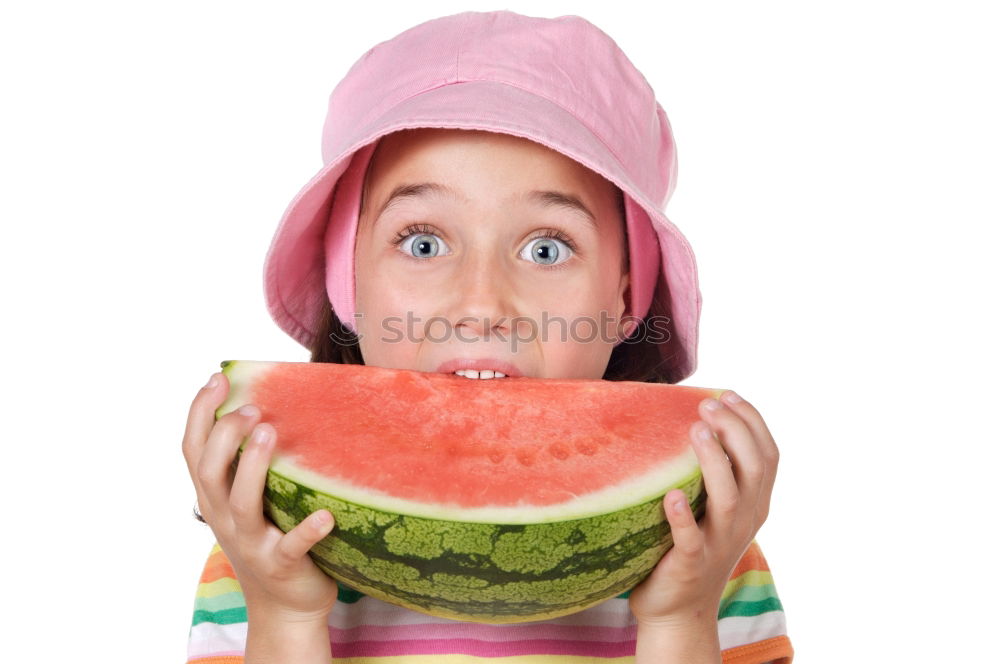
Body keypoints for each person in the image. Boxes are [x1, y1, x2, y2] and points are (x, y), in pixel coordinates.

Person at [182, 10, 793, 664]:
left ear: (623, 297)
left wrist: (680, 618)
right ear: (347, 284)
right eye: (423, 242)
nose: (481, 306)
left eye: (546, 249)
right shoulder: (266, 546)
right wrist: (285, 614)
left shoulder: (703, 548)